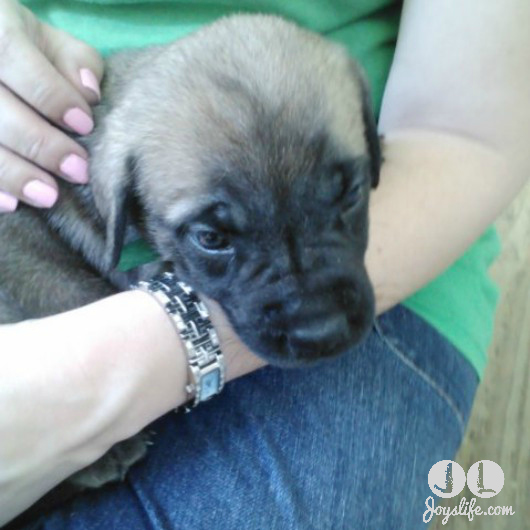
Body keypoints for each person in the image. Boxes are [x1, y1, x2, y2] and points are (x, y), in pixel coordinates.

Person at [0, 0, 528, 527]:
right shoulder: (107, 181)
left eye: (343, 195)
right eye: (215, 237)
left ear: (367, 132)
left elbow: (472, 134)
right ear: (117, 206)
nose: (315, 314)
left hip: (418, 226)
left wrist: (98, 376)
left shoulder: (333, 84)